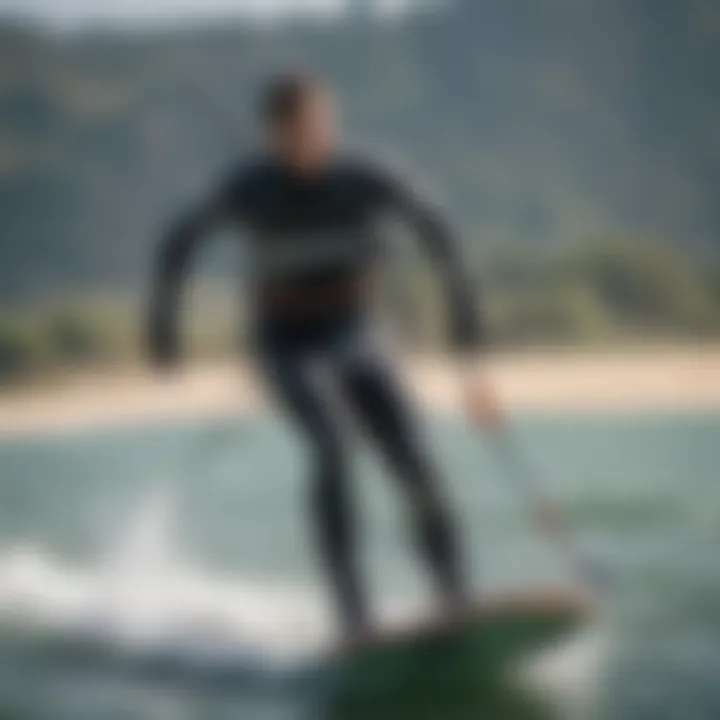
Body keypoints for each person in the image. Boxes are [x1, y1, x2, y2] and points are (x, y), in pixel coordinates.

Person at [148, 72, 502, 639]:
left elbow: (436, 225)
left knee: (414, 458)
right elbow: (179, 239)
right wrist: (162, 326)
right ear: (275, 135)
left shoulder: (365, 177)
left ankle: (455, 596)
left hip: (356, 332)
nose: (319, 137)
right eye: (304, 128)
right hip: (287, 342)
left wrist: (463, 311)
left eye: (325, 123)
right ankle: (351, 613)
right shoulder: (249, 187)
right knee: (332, 445)